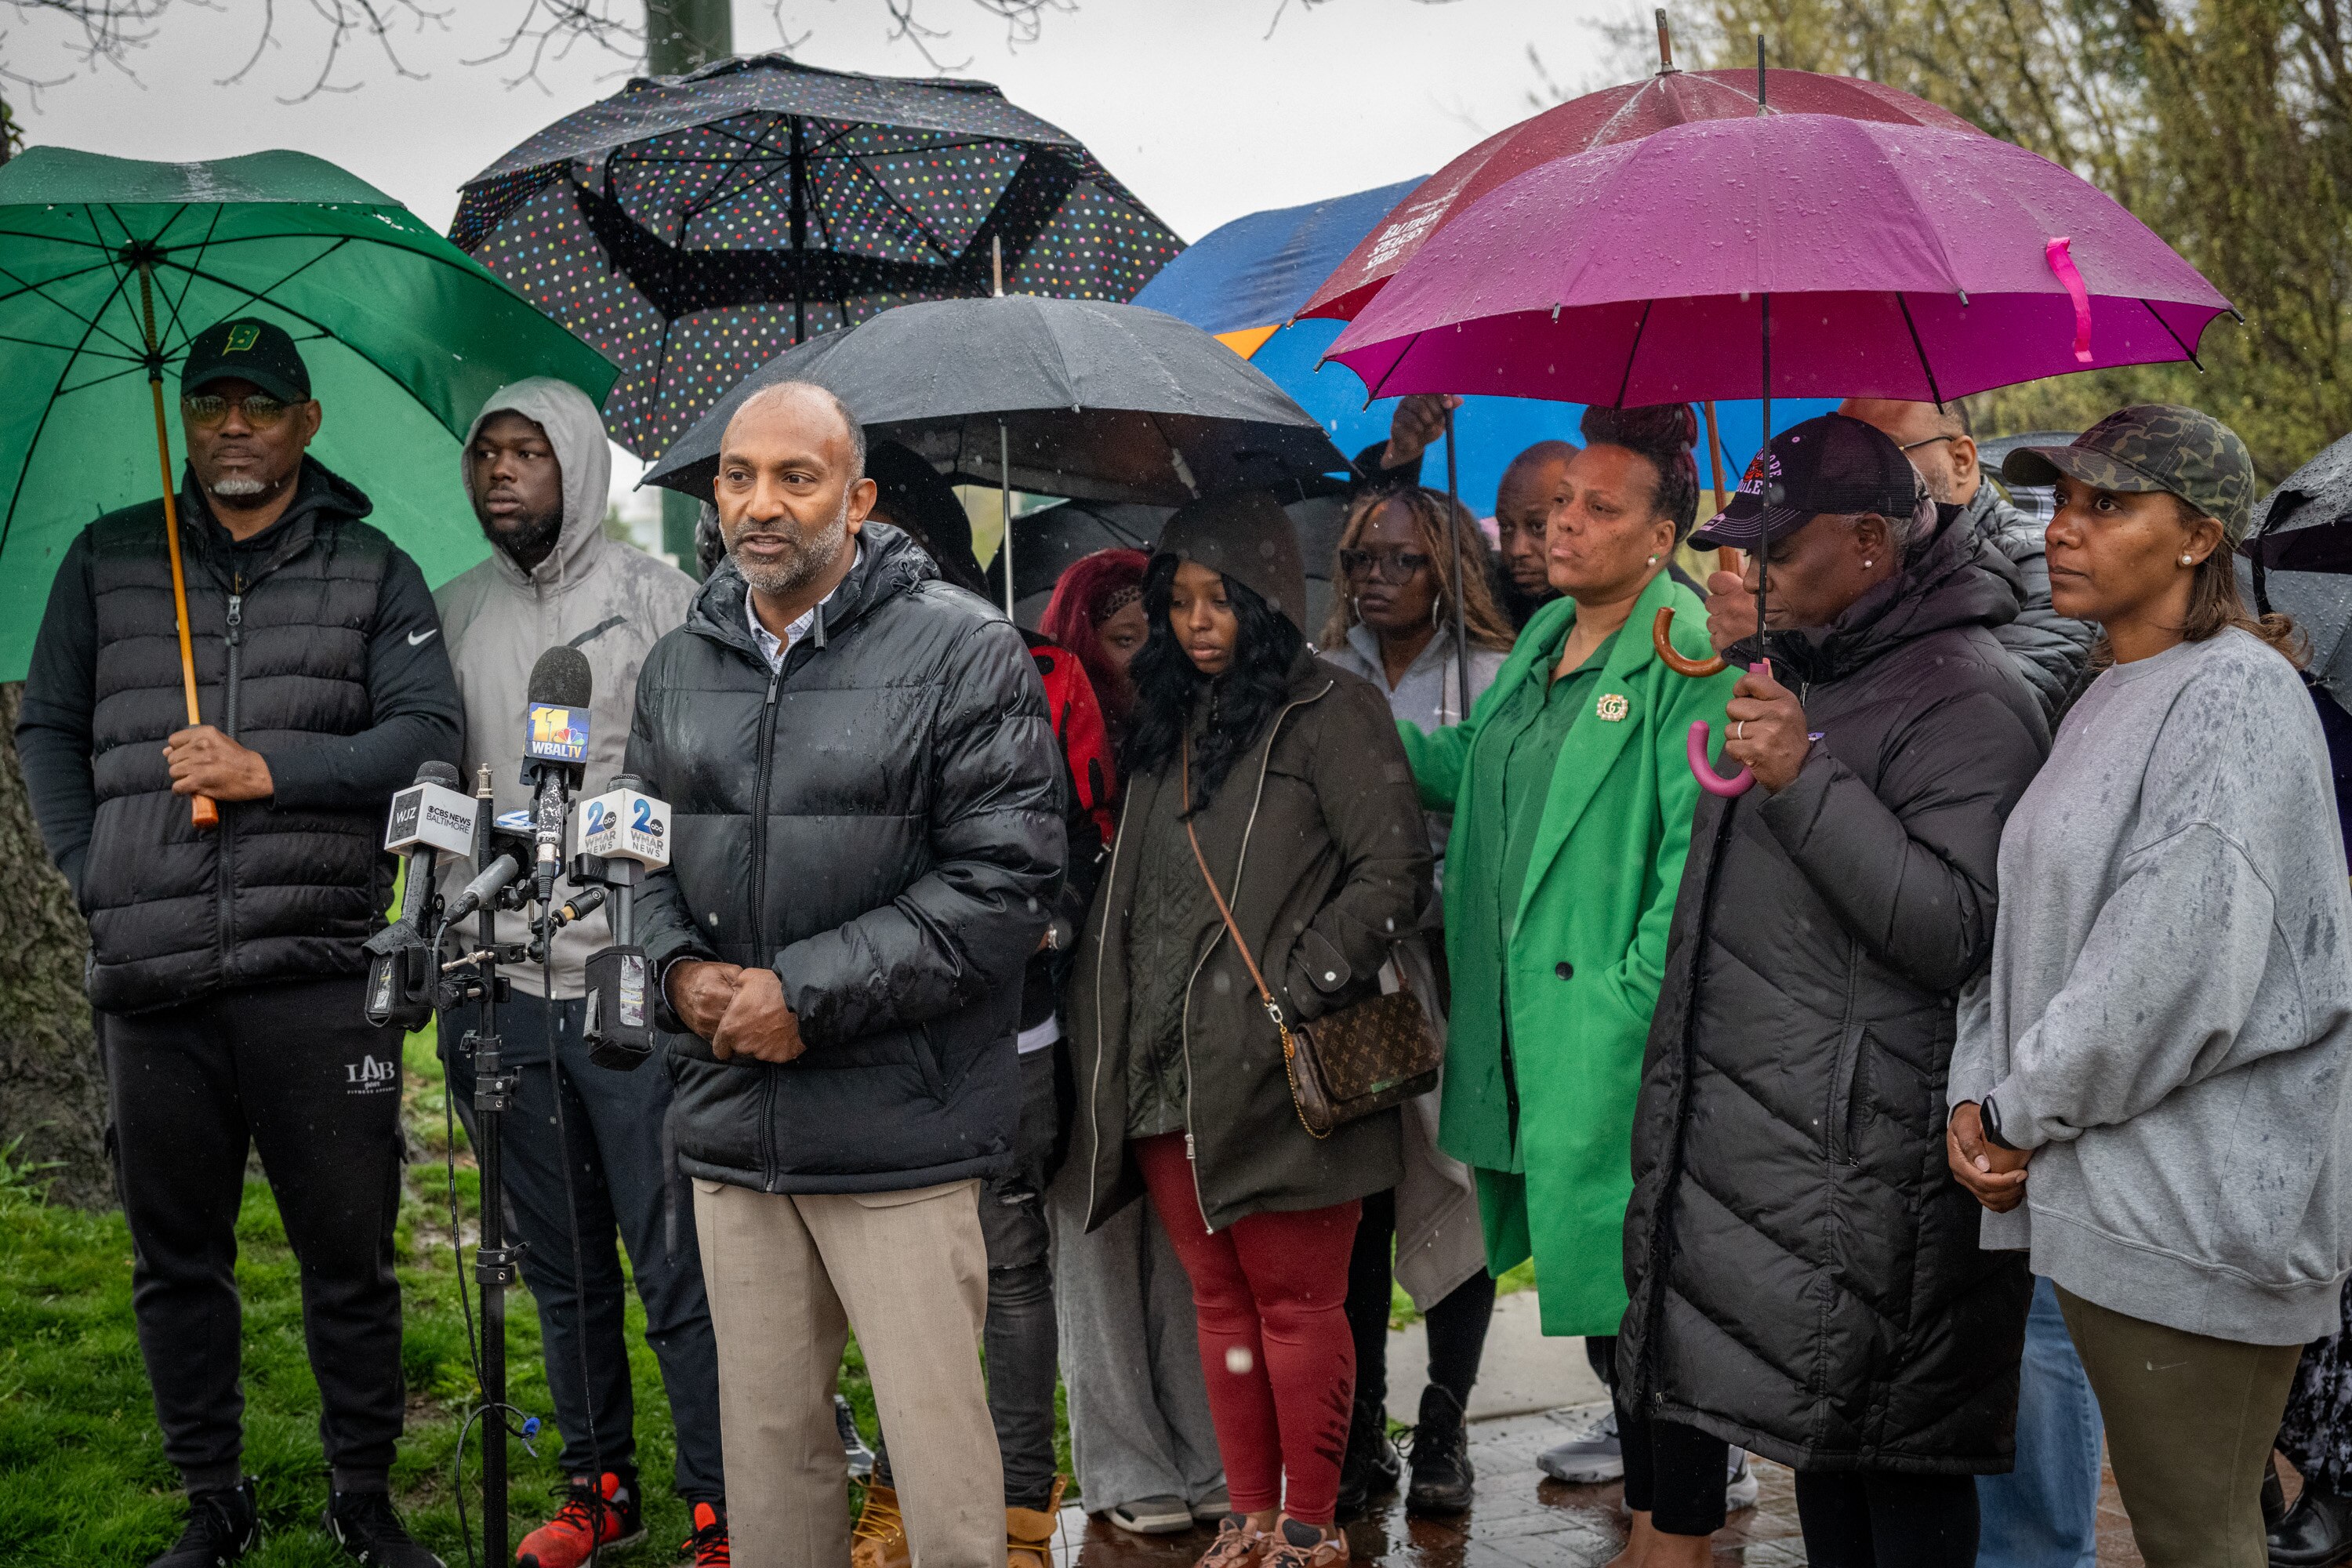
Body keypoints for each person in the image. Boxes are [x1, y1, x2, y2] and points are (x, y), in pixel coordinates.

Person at [16, 317, 461, 1568]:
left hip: (316, 967)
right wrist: (89, 870)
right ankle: (214, 1498)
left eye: (260, 405)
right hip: (151, 973)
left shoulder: (373, 570)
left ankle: (363, 1497)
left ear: (305, 422)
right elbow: (47, 728)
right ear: (186, 417)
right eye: (212, 402)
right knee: (177, 1263)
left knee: (349, 1259)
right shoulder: (109, 561)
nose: (233, 425)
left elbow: (428, 739)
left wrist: (269, 768)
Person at [628, 381, 1065, 1568]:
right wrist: (675, 973)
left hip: (900, 1133)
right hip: (735, 1126)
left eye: (797, 477)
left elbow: (1005, 885)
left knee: (941, 1471)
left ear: (859, 499)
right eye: (738, 476)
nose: (760, 504)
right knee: (772, 1464)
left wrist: (801, 996)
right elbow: (630, 856)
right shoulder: (677, 664)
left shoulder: (964, 651)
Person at [1618, 413, 2049, 1568]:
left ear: (1868, 542)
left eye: (1776, 551)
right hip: (1804, 1174)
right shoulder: (1811, 671)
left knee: (1896, 1480)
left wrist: (1805, 774)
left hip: (1883, 1180)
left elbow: (1956, 930)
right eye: (1742, 551)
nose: (1749, 575)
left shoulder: (1967, 695)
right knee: (1832, 1473)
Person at [1951, 406, 2352, 1568]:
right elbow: (2031, 931)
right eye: (2062, 502)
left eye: (2107, 505)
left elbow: (2166, 967)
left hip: (2196, 1217)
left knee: (2199, 1537)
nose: (2061, 529)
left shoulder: (2235, 692)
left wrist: (2014, 1110)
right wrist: (1978, 1092)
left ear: (2198, 537)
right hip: (2104, 1193)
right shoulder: (2110, 688)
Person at [1065, 490, 1432, 1568]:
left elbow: (1394, 872)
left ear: (1270, 600)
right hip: (1163, 1070)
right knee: (1219, 1305)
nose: (1197, 623)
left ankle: (1312, 1525)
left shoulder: (1333, 709)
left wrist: (1300, 988)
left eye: (1221, 600)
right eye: (1180, 600)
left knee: (1299, 1305)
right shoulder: (1167, 720)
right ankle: (1249, 1516)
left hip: (1283, 1067)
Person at [1381, 406, 1739, 1508]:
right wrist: (1345, 717)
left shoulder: (1688, 650)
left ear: (1663, 536)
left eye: (1598, 508)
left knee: (1643, 1296)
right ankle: (1656, 1508)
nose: (1561, 526)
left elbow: (1691, 866)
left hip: (1611, 1036)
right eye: (1556, 506)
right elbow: (1472, 763)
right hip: (1527, 1027)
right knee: (1601, 1293)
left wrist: (1624, 1005)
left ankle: (1675, 1520)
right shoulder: (1546, 635)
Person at [430, 379, 725, 1567]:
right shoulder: (450, 613)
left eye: (530, 453)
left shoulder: (664, 603)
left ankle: (720, 1501)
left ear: (581, 467)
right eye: (488, 453)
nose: (503, 472)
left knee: (678, 1263)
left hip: (633, 983)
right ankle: (598, 1486)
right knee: (560, 1269)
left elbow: (707, 784)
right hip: (497, 988)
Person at [844, 437, 1116, 1568]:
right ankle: (913, 1485)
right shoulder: (833, 671)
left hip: (1008, 1026)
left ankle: (1015, 1501)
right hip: (878, 1021)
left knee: (1005, 1261)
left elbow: (1073, 845)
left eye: (895, 536)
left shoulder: (1031, 668)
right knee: (893, 1274)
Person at [1315, 482, 1515, 1515]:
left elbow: (1500, 809)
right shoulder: (1322, 671)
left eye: (1403, 559)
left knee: (1455, 1183)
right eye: (1362, 558)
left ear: (1449, 568)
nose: (1378, 577)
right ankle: (1361, 1427)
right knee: (1359, 1198)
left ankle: (1445, 1420)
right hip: (1358, 974)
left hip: (1451, 966)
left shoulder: (1494, 673)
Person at [1835, 397, 2096, 720]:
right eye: (1837, 460)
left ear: (1960, 460)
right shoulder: (1853, 564)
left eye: (1881, 453)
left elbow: (1991, 712)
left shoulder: (2041, 561)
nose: (1849, 477)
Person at [1364, 393, 1578, 630]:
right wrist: (1401, 457)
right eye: (1506, 527)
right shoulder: (1485, 596)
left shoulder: (1607, 615)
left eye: (1538, 527)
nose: (1517, 550)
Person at [1040, 547, 1153, 753]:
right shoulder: (1043, 747)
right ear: (1085, 648)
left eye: (1158, 637)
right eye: (1126, 640)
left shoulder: (1191, 734)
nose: (1149, 654)